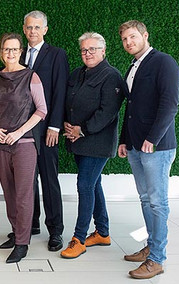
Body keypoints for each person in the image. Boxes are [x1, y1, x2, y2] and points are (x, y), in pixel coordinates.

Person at [118, 20, 179, 279]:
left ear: (145, 35)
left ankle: (157, 259)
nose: (129, 42)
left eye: (133, 37)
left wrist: (152, 138)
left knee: (157, 202)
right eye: (124, 39)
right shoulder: (134, 65)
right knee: (146, 200)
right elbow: (131, 108)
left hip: (156, 147)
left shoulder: (164, 62)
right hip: (135, 144)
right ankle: (150, 247)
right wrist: (123, 139)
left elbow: (169, 105)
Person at [59, 32, 125, 259]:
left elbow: (107, 112)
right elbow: (69, 101)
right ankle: (103, 232)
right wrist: (67, 123)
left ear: (103, 51)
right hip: (77, 140)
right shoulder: (78, 73)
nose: (87, 54)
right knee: (94, 184)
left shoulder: (112, 76)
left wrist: (82, 129)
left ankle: (79, 238)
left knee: (85, 185)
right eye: (84, 50)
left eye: (92, 49)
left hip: (97, 142)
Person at [0, 33, 47, 263]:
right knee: (9, 193)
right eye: (6, 49)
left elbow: (42, 110)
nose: (10, 53)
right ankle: (16, 231)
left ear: (21, 51)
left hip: (23, 144)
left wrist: (19, 132)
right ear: (1, 52)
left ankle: (23, 243)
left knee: (23, 195)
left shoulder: (31, 76)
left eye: (14, 49)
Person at [18, 10, 69, 252]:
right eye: (29, 27)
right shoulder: (18, 54)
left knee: (49, 179)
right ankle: (31, 224)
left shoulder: (57, 54)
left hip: (46, 127)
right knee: (27, 178)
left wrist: (55, 125)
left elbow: (60, 92)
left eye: (37, 27)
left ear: (45, 30)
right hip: (22, 128)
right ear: (24, 29)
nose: (32, 31)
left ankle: (55, 230)